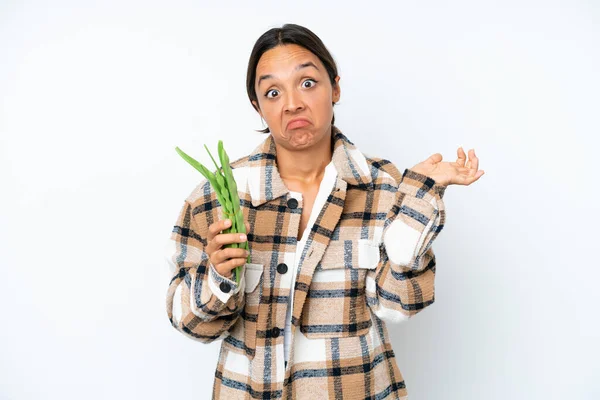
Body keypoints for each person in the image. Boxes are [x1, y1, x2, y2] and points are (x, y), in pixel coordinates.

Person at [165, 23, 484, 399]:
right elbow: (189, 325)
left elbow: (400, 307)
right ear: (258, 106)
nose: (292, 103)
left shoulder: (382, 186)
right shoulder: (218, 197)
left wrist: (418, 206)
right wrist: (217, 277)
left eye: (307, 83)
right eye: (272, 91)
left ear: (335, 87)